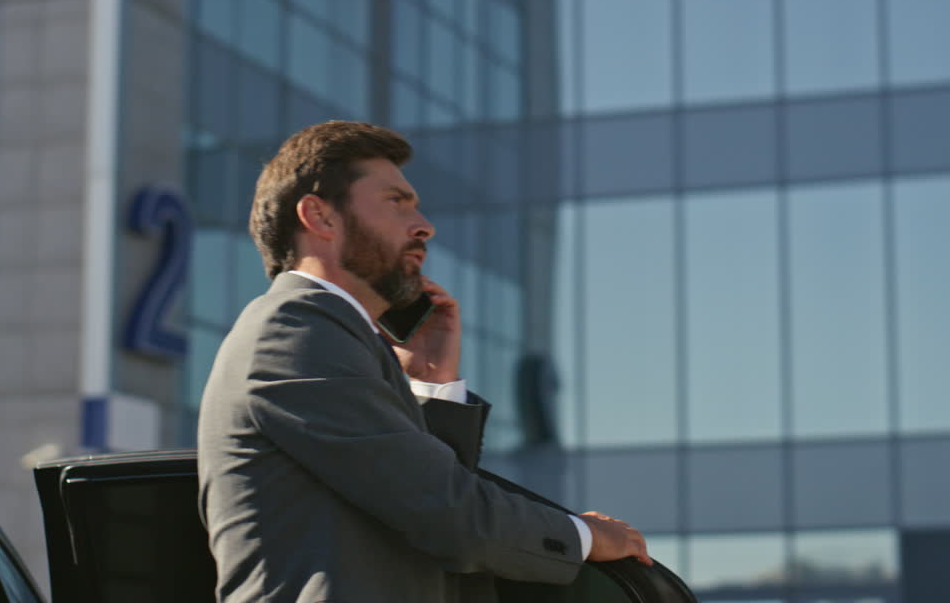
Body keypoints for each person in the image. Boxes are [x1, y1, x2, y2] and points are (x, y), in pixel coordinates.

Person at [197, 121, 651, 602]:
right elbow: (449, 516)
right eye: (397, 201)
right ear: (320, 217)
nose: (424, 225)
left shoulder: (334, 337)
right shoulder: (295, 328)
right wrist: (583, 537)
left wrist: (429, 384)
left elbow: (417, 508)